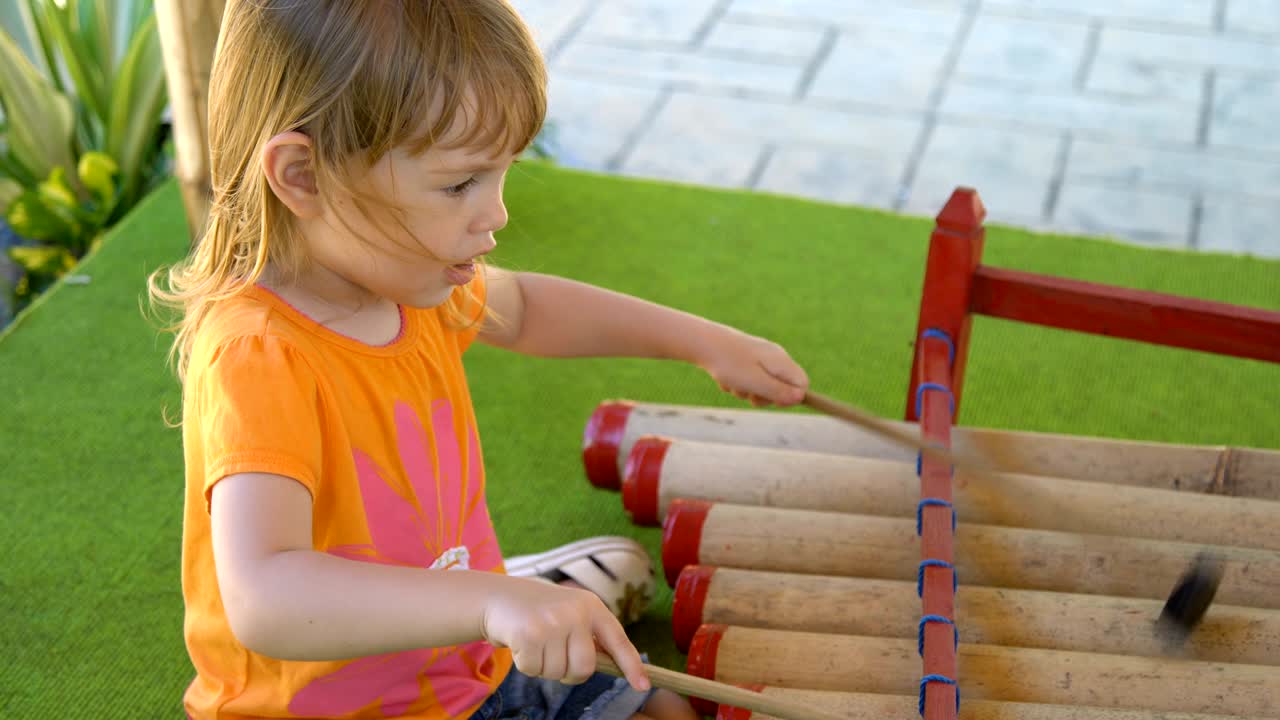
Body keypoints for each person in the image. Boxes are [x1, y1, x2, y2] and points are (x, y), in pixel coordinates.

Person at [149, 1, 810, 718]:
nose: (494, 213)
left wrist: (708, 344)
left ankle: (512, 588)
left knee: (658, 710)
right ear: (303, 175)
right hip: (327, 708)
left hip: (472, 668)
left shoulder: (413, 284)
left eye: (501, 175)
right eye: (460, 183)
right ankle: (514, 586)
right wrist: (493, 601)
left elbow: (527, 308)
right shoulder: (258, 354)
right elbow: (265, 597)